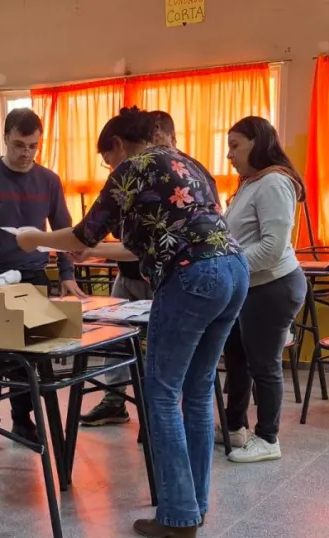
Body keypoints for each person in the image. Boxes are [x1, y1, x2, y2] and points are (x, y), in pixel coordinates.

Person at [16, 107, 249, 538]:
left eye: (108, 159)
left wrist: (36, 239)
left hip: (192, 276)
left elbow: (83, 235)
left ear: (119, 146)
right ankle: (195, 505)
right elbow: (155, 241)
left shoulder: (133, 167)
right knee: (197, 393)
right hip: (233, 272)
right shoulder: (190, 164)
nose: (110, 168)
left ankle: (177, 516)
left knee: (160, 394)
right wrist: (94, 250)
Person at [80, 109, 221, 427]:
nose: (111, 168)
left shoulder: (157, 168)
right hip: (139, 275)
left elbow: (140, 242)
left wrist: (79, 246)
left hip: (171, 276)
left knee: (164, 372)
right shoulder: (147, 172)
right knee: (116, 339)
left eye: (109, 159)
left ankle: (162, 420)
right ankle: (116, 401)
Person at [0, 108, 86, 443]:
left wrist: (66, 272)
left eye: (32, 145)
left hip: (34, 276)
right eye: (18, 144)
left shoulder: (48, 180)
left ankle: (23, 420)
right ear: (5, 138)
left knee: (30, 357)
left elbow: (63, 229)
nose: (25, 153)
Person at [222, 116, 308, 463]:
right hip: (250, 285)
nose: (229, 154)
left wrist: (229, 267)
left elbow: (273, 247)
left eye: (235, 145)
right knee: (237, 358)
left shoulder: (273, 182)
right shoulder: (249, 183)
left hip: (272, 286)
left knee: (264, 364)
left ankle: (268, 438)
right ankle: (234, 426)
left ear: (256, 142)